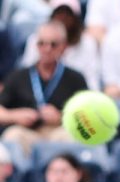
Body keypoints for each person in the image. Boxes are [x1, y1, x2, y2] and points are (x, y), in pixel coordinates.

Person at [0, 21, 87, 154]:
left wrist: (61, 117)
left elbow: (86, 116)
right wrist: (15, 116)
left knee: (73, 138)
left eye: (53, 44)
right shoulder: (18, 76)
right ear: (36, 45)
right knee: (12, 136)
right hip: (28, 133)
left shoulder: (75, 78)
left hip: (59, 132)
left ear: (63, 47)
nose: (47, 49)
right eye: (42, 43)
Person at [21, 0, 100, 90]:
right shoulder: (36, 39)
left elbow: (92, 83)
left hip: (76, 96)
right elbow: (26, 76)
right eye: (59, 14)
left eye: (67, 16)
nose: (62, 19)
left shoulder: (88, 43)